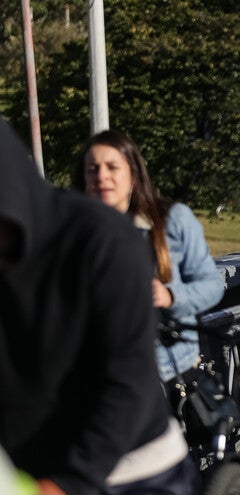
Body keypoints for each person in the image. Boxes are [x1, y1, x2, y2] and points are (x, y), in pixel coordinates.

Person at [0, 119, 195, 495]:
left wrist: (72, 482)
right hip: (35, 487)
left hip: (137, 478)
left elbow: (127, 379)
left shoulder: (101, 239)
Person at [75, 129, 224, 393]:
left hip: (169, 374)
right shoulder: (74, 231)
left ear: (132, 174)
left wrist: (170, 296)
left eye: (112, 167)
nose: (101, 176)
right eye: (92, 169)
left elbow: (212, 284)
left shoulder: (172, 220)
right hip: (99, 380)